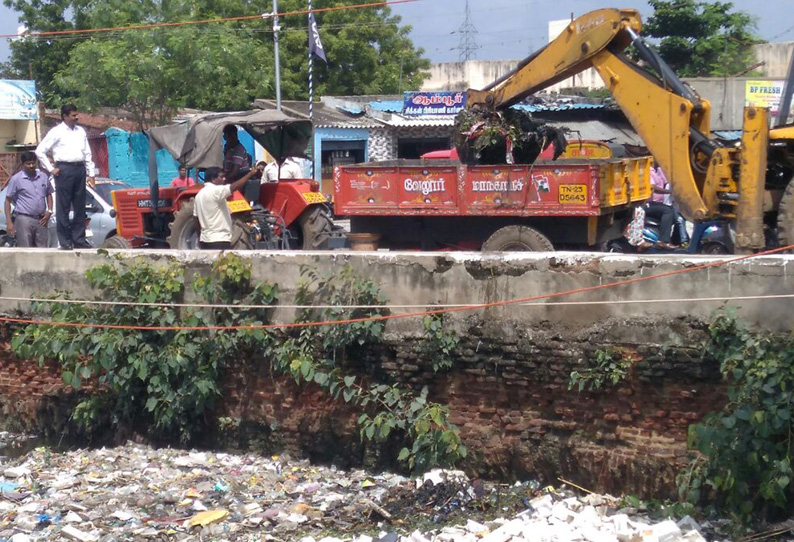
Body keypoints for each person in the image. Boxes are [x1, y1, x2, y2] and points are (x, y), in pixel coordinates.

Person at [35, 104, 96, 250]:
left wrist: (91, 173)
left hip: (79, 168)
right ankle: (65, 241)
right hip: (64, 169)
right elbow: (40, 151)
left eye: (77, 114)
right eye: (73, 115)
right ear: (65, 116)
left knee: (80, 206)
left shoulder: (80, 131)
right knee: (63, 207)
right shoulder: (56, 131)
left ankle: (79, 239)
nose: (77, 117)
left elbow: (87, 153)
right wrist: (51, 169)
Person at [193, 164, 264, 250]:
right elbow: (233, 187)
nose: (224, 179)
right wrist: (250, 174)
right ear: (213, 179)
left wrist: (199, 237)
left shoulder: (198, 195)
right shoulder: (216, 191)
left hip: (205, 241)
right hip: (219, 240)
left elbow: (196, 219)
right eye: (221, 177)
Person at [4, 152, 53, 247]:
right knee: (25, 250)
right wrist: (9, 222)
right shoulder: (16, 179)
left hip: (41, 220)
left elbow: (49, 194)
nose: (31, 166)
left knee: (42, 250)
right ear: (22, 164)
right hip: (24, 219)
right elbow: (7, 201)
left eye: (33, 163)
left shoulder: (43, 177)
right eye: (28, 163)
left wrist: (49, 211)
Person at [645, 162, 677, 250]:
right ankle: (663, 241)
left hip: (658, 203)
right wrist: (670, 192)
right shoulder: (648, 170)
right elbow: (653, 188)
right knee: (667, 211)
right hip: (648, 204)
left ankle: (677, 240)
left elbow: (669, 180)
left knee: (676, 214)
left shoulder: (658, 170)